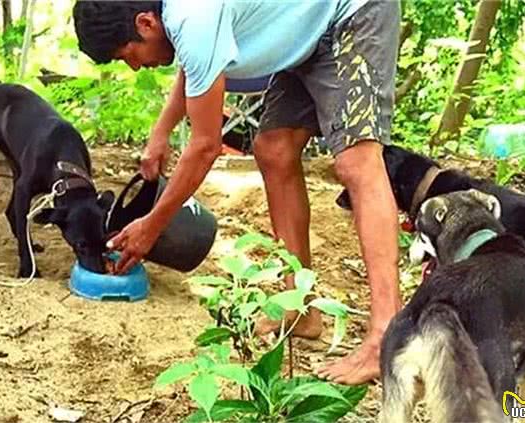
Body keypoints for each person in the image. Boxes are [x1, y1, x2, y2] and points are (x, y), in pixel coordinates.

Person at [73, 0, 402, 385]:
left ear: (145, 23)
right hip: (307, 31)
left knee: (356, 160)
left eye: (126, 55)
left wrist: (152, 226)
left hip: (352, 12)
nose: (134, 66)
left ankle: (387, 336)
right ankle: (300, 307)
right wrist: (161, 132)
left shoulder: (190, 15)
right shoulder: (179, 19)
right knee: (274, 149)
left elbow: (205, 145)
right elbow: (198, 65)